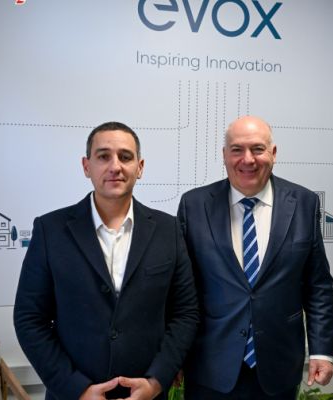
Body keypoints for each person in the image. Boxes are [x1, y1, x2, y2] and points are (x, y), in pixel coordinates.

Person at [14, 121, 199, 400]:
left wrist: (156, 382)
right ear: (86, 166)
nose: (115, 166)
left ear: (140, 167)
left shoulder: (168, 230)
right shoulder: (50, 230)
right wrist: (77, 389)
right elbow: (29, 319)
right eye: (103, 156)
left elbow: (185, 313)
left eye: (125, 157)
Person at [177, 116, 333, 399]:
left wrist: (321, 351)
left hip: (278, 366)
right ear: (224, 155)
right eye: (237, 149)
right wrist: (173, 355)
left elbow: (318, 286)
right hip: (209, 367)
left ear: (273, 153)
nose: (247, 159)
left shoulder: (304, 203)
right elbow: (179, 290)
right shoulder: (194, 205)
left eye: (258, 149)